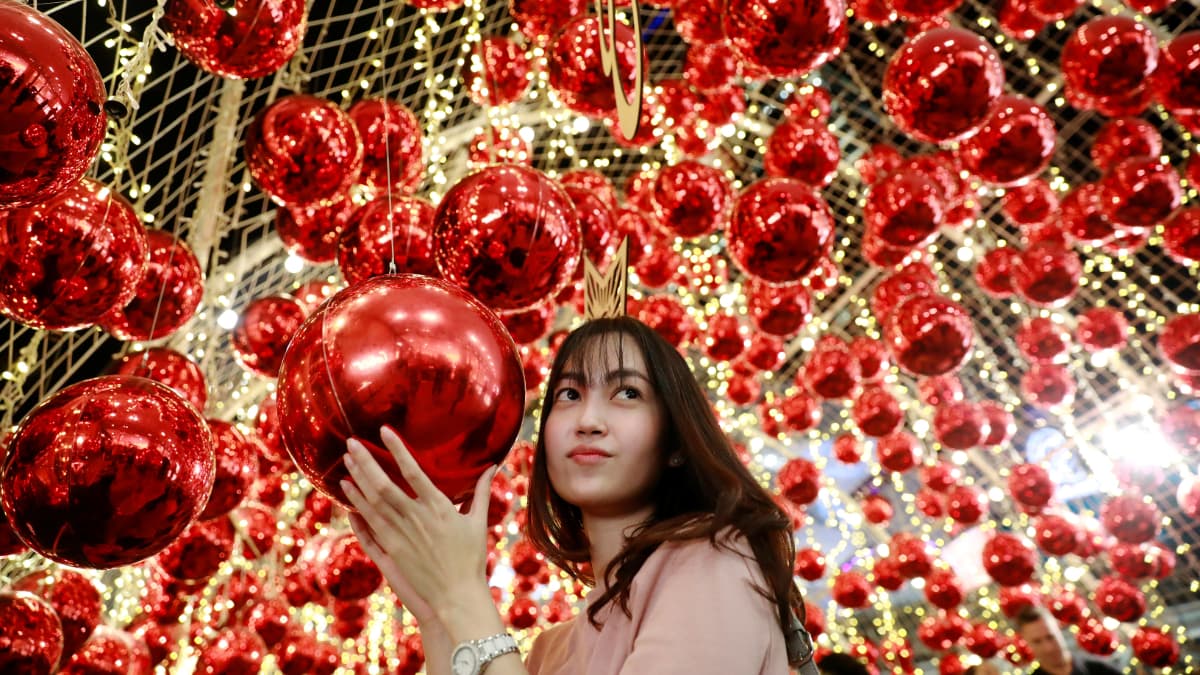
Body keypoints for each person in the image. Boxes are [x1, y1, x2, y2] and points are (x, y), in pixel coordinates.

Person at [340, 316, 813, 675]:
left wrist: (462, 593)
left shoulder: (715, 561)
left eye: (627, 392)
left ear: (674, 442)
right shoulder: (552, 651)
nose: (588, 420)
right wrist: (437, 613)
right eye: (568, 394)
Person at [1013, 605, 1122, 675]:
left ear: (1059, 628)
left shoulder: (1099, 669)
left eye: (1050, 637)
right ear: (1025, 641)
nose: (1048, 648)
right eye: (1037, 641)